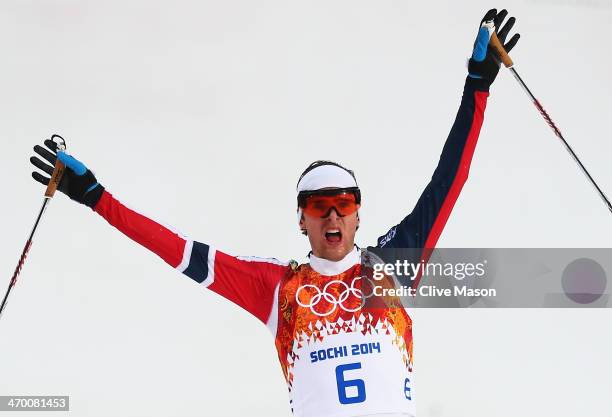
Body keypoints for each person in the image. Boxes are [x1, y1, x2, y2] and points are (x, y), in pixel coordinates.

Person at [29, 9, 519, 417]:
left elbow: (450, 179)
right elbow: (176, 250)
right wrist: (98, 199)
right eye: (318, 206)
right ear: (301, 219)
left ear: (357, 214)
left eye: (343, 205)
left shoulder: (393, 265)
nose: (332, 217)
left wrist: (478, 86)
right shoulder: (276, 288)